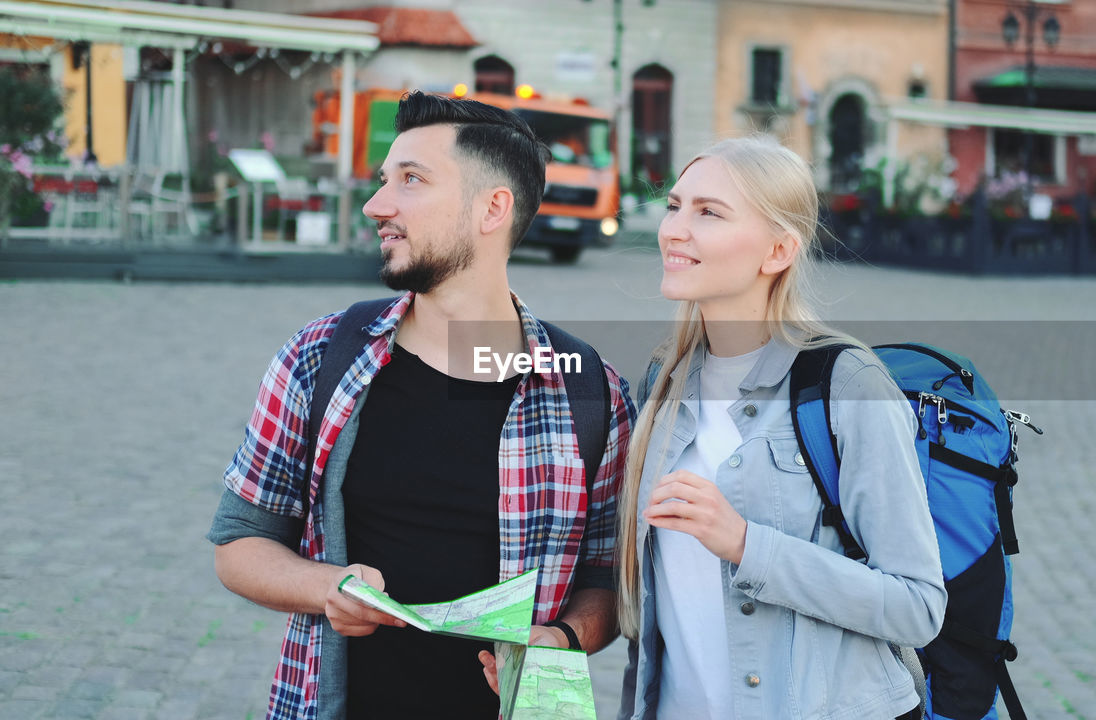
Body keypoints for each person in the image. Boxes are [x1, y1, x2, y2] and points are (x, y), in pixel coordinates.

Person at [208, 92, 635, 720]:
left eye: (411, 180)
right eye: (385, 181)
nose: (377, 205)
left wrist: (563, 638)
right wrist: (329, 587)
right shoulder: (321, 355)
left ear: (493, 208)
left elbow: (606, 582)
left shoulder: (590, 390)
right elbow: (240, 542)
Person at [615, 136, 946, 720]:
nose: (674, 229)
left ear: (777, 251)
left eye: (709, 213)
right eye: (674, 206)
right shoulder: (662, 385)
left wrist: (747, 545)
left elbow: (917, 608)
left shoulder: (845, 383)